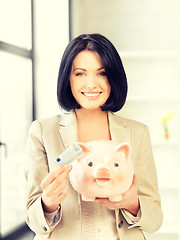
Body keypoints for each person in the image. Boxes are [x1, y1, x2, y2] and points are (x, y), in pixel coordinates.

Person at [25, 33, 163, 240]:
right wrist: (48, 202)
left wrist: (131, 204)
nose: (91, 84)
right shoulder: (44, 131)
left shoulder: (137, 133)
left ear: (114, 78)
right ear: (67, 79)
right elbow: (33, 220)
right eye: (80, 74)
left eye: (102, 73)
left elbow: (155, 220)